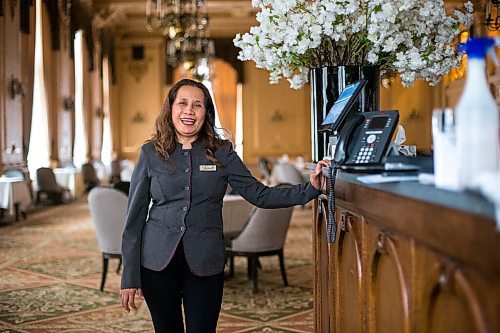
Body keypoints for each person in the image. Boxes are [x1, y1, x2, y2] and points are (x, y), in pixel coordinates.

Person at [119, 78, 331, 333]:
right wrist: (129, 276)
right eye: (182, 103)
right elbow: (134, 220)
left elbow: (260, 195)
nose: (189, 110)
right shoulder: (150, 153)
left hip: (206, 261)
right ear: (171, 109)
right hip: (156, 262)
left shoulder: (222, 152)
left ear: (206, 113)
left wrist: (311, 188)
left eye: (197, 105)